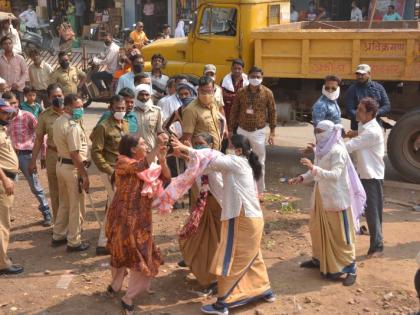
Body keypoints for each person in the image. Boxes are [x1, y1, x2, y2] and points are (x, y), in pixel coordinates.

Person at [170, 134, 275, 315]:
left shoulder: (237, 162)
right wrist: (187, 155)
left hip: (241, 218)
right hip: (252, 218)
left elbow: (211, 156)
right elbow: (206, 166)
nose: (226, 150)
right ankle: (263, 289)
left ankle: (223, 302)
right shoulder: (238, 164)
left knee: (230, 258)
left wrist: (186, 148)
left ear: (238, 150)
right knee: (252, 256)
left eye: (229, 147)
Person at [289, 120, 366, 286]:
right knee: (316, 229)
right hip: (320, 196)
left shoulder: (338, 150)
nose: (317, 134)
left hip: (336, 198)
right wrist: (301, 177)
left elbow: (335, 174)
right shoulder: (322, 150)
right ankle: (318, 259)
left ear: (330, 133)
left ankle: (350, 268)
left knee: (340, 235)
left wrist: (313, 168)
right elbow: (314, 172)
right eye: (315, 130)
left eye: (320, 131)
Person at [105, 133, 170, 315]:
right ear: (133, 149)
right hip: (123, 218)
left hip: (141, 218)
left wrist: (163, 160)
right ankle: (120, 289)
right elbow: (141, 166)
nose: (147, 147)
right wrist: (157, 147)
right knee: (122, 252)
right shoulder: (123, 162)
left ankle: (129, 294)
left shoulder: (149, 164)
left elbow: (167, 177)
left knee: (139, 255)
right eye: (143, 144)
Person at [178, 132, 223, 292]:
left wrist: (188, 150)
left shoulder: (216, 156)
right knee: (191, 236)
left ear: (210, 145)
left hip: (218, 206)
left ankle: (212, 279)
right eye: (195, 143)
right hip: (203, 205)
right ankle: (193, 260)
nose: (198, 146)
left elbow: (202, 159)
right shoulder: (196, 159)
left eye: (201, 143)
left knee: (211, 243)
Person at [345, 97, 385, 258]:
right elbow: (358, 133)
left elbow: (350, 146)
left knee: (372, 212)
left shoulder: (372, 131)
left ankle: (377, 246)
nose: (357, 112)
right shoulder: (365, 125)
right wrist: (350, 133)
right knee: (366, 209)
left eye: (361, 110)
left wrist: (324, 146)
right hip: (363, 173)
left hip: (371, 176)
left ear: (371, 114)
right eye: (358, 108)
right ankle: (376, 243)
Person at [5, 92, 52, 227]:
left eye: (14, 103)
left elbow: (41, 135)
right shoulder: (3, 118)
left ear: (18, 103)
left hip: (26, 155)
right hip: (9, 156)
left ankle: (46, 212)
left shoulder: (27, 116)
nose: (12, 106)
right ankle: (6, 214)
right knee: (7, 186)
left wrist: (42, 155)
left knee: (35, 185)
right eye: (8, 104)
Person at [229, 66, 276, 196]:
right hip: (242, 130)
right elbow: (234, 111)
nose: (255, 79)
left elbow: (272, 112)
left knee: (259, 161)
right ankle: (240, 189)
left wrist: (272, 132)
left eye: (258, 77)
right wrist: (231, 130)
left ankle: (259, 191)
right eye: (253, 76)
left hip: (258, 132)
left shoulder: (267, 93)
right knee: (239, 159)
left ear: (262, 78)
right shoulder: (241, 92)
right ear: (248, 77)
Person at [91, 95, 129, 256]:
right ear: (110, 108)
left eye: (123, 108)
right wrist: (109, 171)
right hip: (110, 171)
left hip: (124, 170)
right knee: (113, 206)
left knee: (116, 205)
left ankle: (113, 238)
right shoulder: (104, 127)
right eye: (117, 108)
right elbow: (96, 152)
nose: (120, 111)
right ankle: (102, 242)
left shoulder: (125, 125)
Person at [52, 93, 89, 252]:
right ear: (67, 107)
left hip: (61, 165)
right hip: (72, 167)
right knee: (76, 206)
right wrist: (84, 175)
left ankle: (58, 235)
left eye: (81, 106)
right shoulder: (72, 126)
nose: (80, 109)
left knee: (64, 203)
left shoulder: (59, 121)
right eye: (77, 107)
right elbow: (75, 153)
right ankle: (74, 241)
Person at [29, 84, 65, 224]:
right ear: (49, 98)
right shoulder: (44, 116)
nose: (58, 98)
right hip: (53, 157)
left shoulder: (72, 112)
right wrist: (33, 161)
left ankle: (72, 224)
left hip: (70, 158)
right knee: (55, 192)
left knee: (70, 191)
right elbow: (38, 140)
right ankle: (58, 224)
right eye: (54, 97)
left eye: (60, 95)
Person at [0, 98, 23, 275]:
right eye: (4, 112)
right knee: (2, 224)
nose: (8, 115)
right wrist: (5, 179)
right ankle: (3, 263)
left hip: (7, 179)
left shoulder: (2, 129)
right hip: (3, 181)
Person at [181, 76, 222, 150]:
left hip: (215, 153)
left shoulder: (214, 103)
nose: (206, 95)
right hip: (201, 156)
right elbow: (186, 139)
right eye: (203, 92)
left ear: (214, 91)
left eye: (209, 91)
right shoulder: (191, 110)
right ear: (198, 90)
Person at [345, 64, 391, 131]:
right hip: (358, 128)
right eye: (358, 74)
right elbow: (350, 109)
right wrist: (363, 117)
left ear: (369, 74)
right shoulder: (352, 89)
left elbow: (387, 105)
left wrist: (376, 113)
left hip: (376, 125)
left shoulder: (379, 88)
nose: (360, 76)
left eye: (362, 74)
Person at [133, 84, 164, 152]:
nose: (144, 97)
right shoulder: (130, 112)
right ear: (136, 95)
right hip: (135, 151)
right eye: (141, 94)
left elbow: (160, 132)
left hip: (151, 151)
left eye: (147, 95)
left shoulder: (157, 111)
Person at [221, 59, 248, 128]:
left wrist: (232, 97)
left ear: (242, 69)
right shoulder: (225, 81)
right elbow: (223, 95)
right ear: (231, 69)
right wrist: (239, 96)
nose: (237, 70)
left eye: (239, 69)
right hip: (228, 113)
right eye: (235, 68)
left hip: (242, 114)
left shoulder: (247, 82)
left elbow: (248, 96)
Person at [0, 36, 28, 102]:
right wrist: (2, 84)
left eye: (10, 43)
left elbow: (25, 73)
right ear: (2, 46)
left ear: (12, 45)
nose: (8, 45)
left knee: (18, 109)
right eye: (5, 43)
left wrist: (18, 84)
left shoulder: (20, 58)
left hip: (18, 90)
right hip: (4, 90)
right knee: (4, 109)